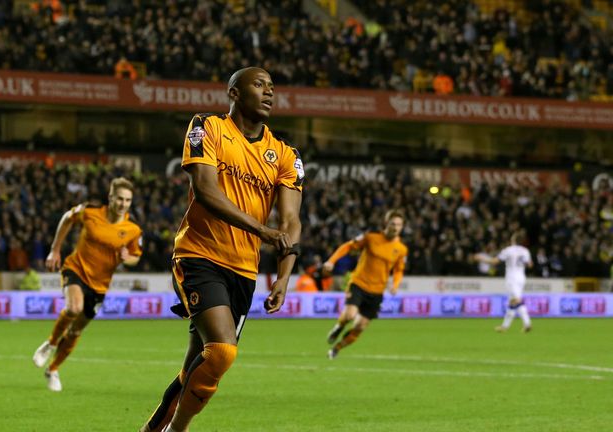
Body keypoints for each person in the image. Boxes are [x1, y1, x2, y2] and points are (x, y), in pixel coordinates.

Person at [139, 67, 304, 432]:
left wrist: (284, 277)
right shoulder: (206, 127)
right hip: (199, 255)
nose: (269, 92)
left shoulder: (286, 155)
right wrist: (262, 229)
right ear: (234, 92)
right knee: (222, 351)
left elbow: (291, 221)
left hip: (244, 271)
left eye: (272, 87)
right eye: (259, 85)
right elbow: (205, 191)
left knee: (198, 364)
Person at [31, 177, 143, 391]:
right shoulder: (91, 212)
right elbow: (67, 218)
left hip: (100, 285)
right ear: (110, 198)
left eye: (127, 200)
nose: (122, 204)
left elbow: (136, 256)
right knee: (74, 308)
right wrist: (55, 249)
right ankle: (51, 343)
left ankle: (53, 369)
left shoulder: (133, 230)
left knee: (75, 331)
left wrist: (127, 258)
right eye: (119, 198)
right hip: (76, 269)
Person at [324, 210, 408, 359]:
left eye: (399, 225)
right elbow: (348, 246)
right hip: (359, 283)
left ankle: (337, 348)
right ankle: (339, 327)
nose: (395, 227)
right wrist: (331, 261)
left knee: (360, 326)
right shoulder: (371, 237)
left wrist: (395, 285)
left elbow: (399, 270)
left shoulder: (401, 249)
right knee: (350, 315)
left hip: (377, 292)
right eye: (393, 223)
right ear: (386, 223)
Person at [475, 232, 533, 333]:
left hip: (512, 278)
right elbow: (530, 265)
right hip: (521, 277)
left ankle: (527, 323)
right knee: (512, 302)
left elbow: (494, 261)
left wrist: (481, 258)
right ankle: (505, 327)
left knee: (517, 300)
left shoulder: (508, 250)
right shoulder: (525, 251)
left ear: (513, 240)